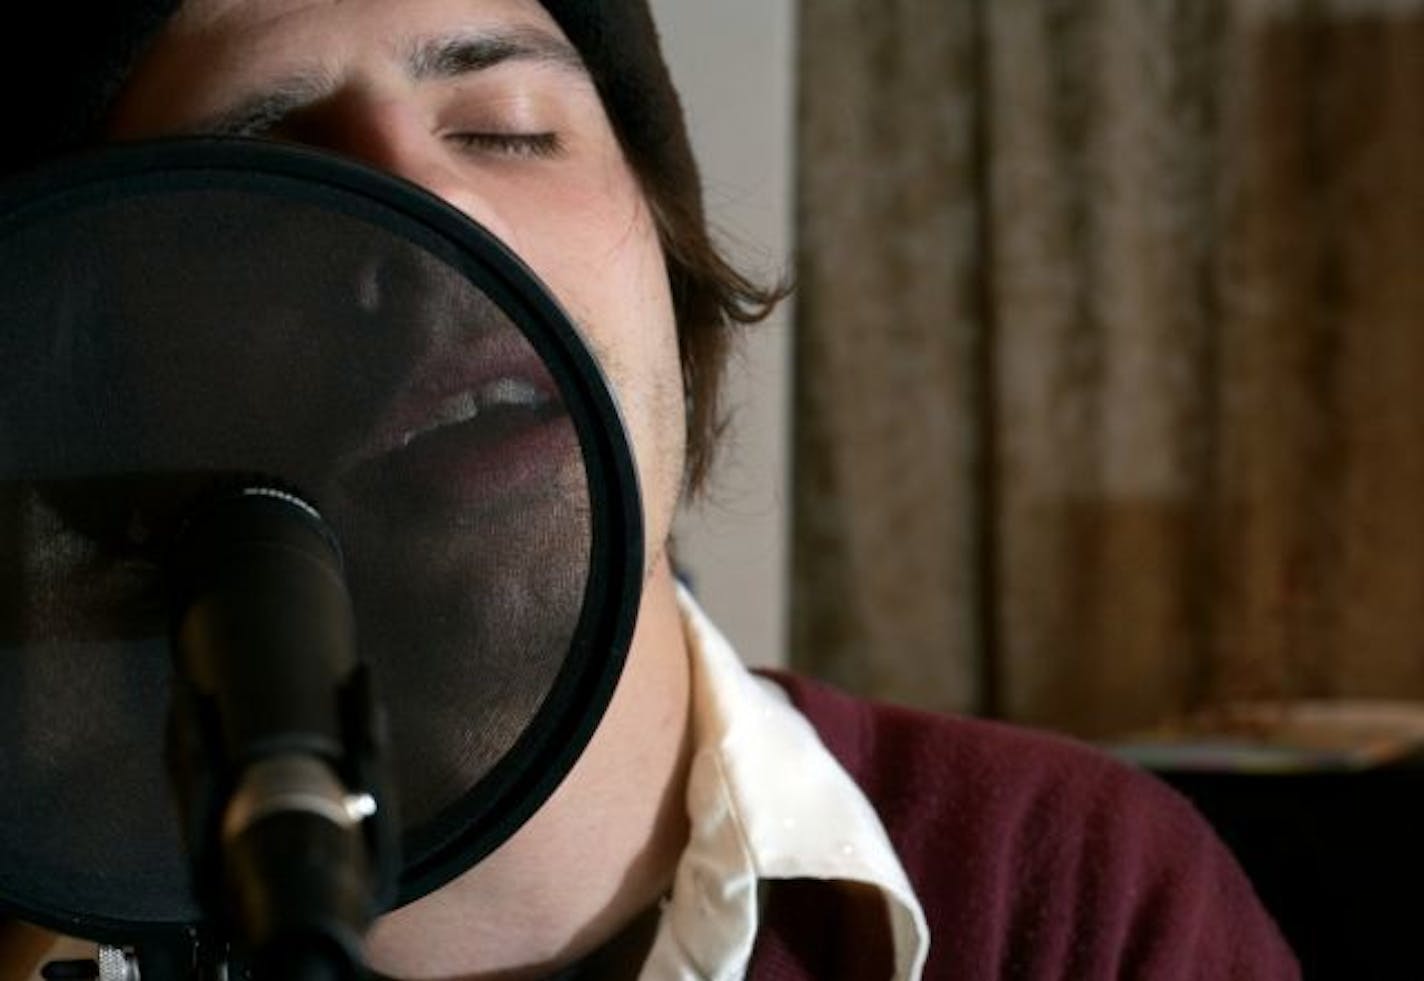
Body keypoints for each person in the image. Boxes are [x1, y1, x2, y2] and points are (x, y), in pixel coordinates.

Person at [0, 1, 1300, 978]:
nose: (439, 215)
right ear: (80, 371)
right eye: (270, 171)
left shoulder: (1071, 901)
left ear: (663, 260)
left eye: (508, 130)